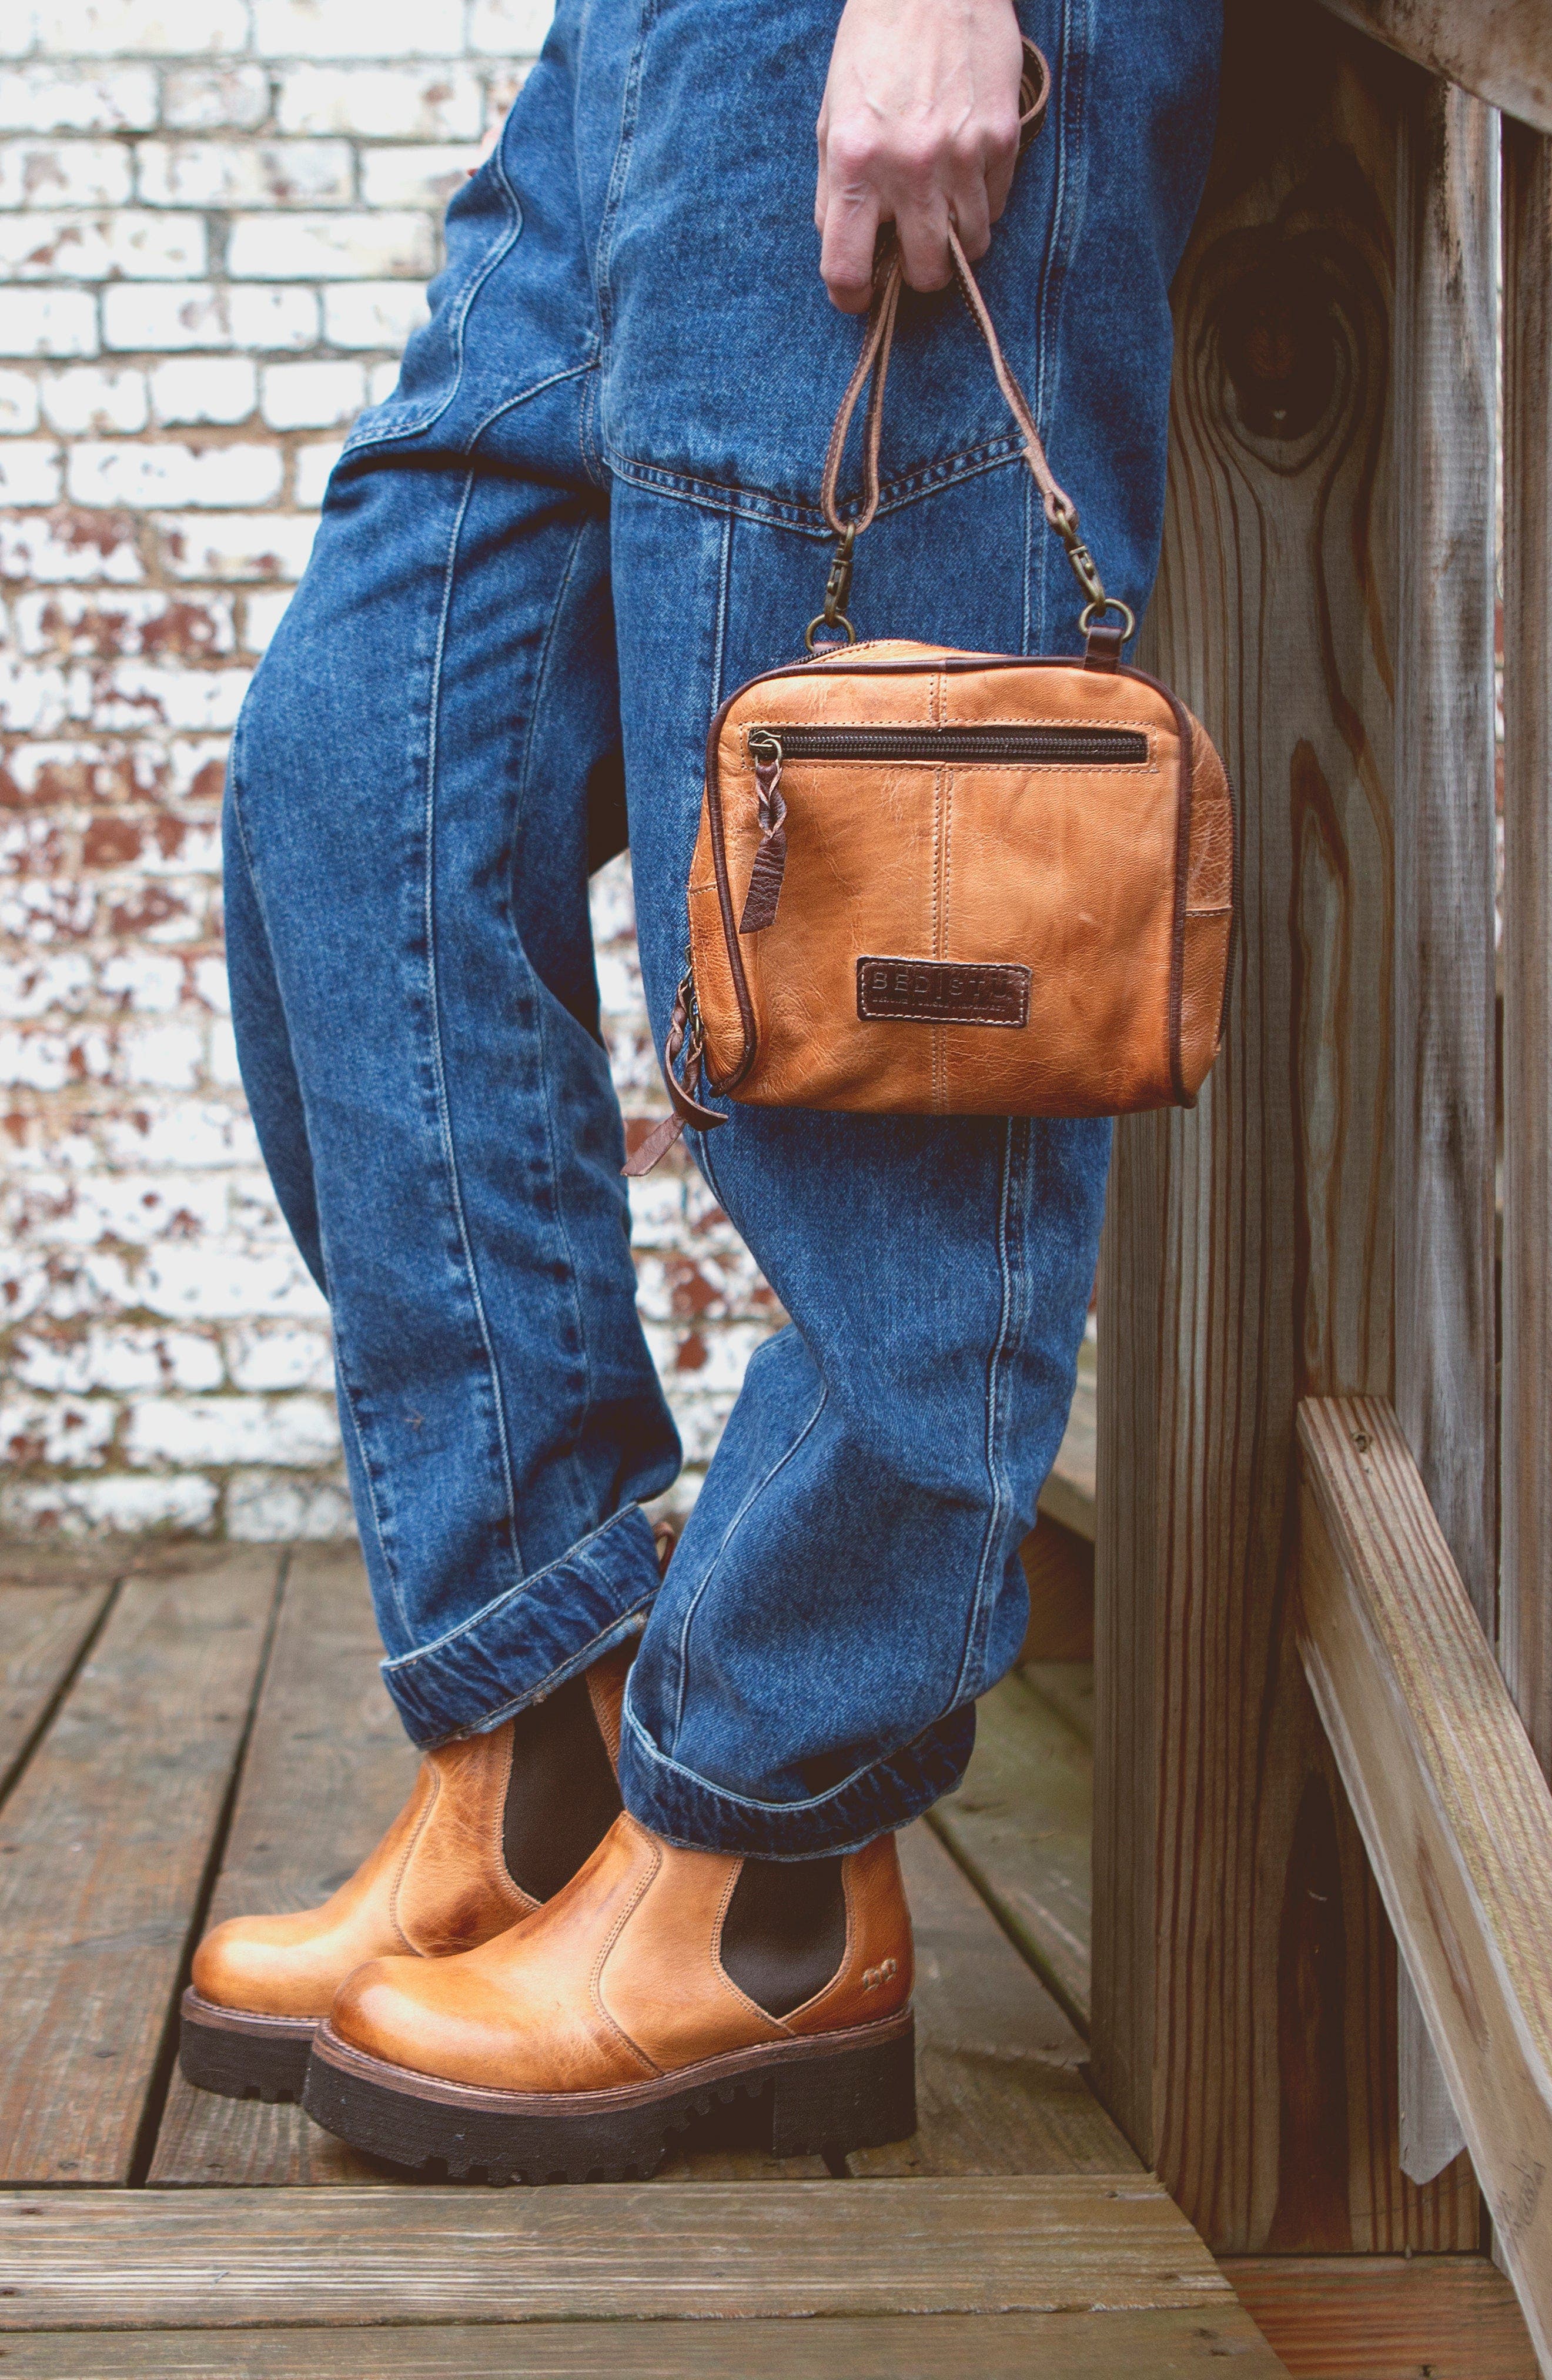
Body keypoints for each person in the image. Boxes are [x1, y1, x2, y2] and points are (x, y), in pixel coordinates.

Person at [180, 0, 1221, 2178]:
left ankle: (764, 1859)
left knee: (885, 897)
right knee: (358, 758)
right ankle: (543, 1727)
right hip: (642, 53)